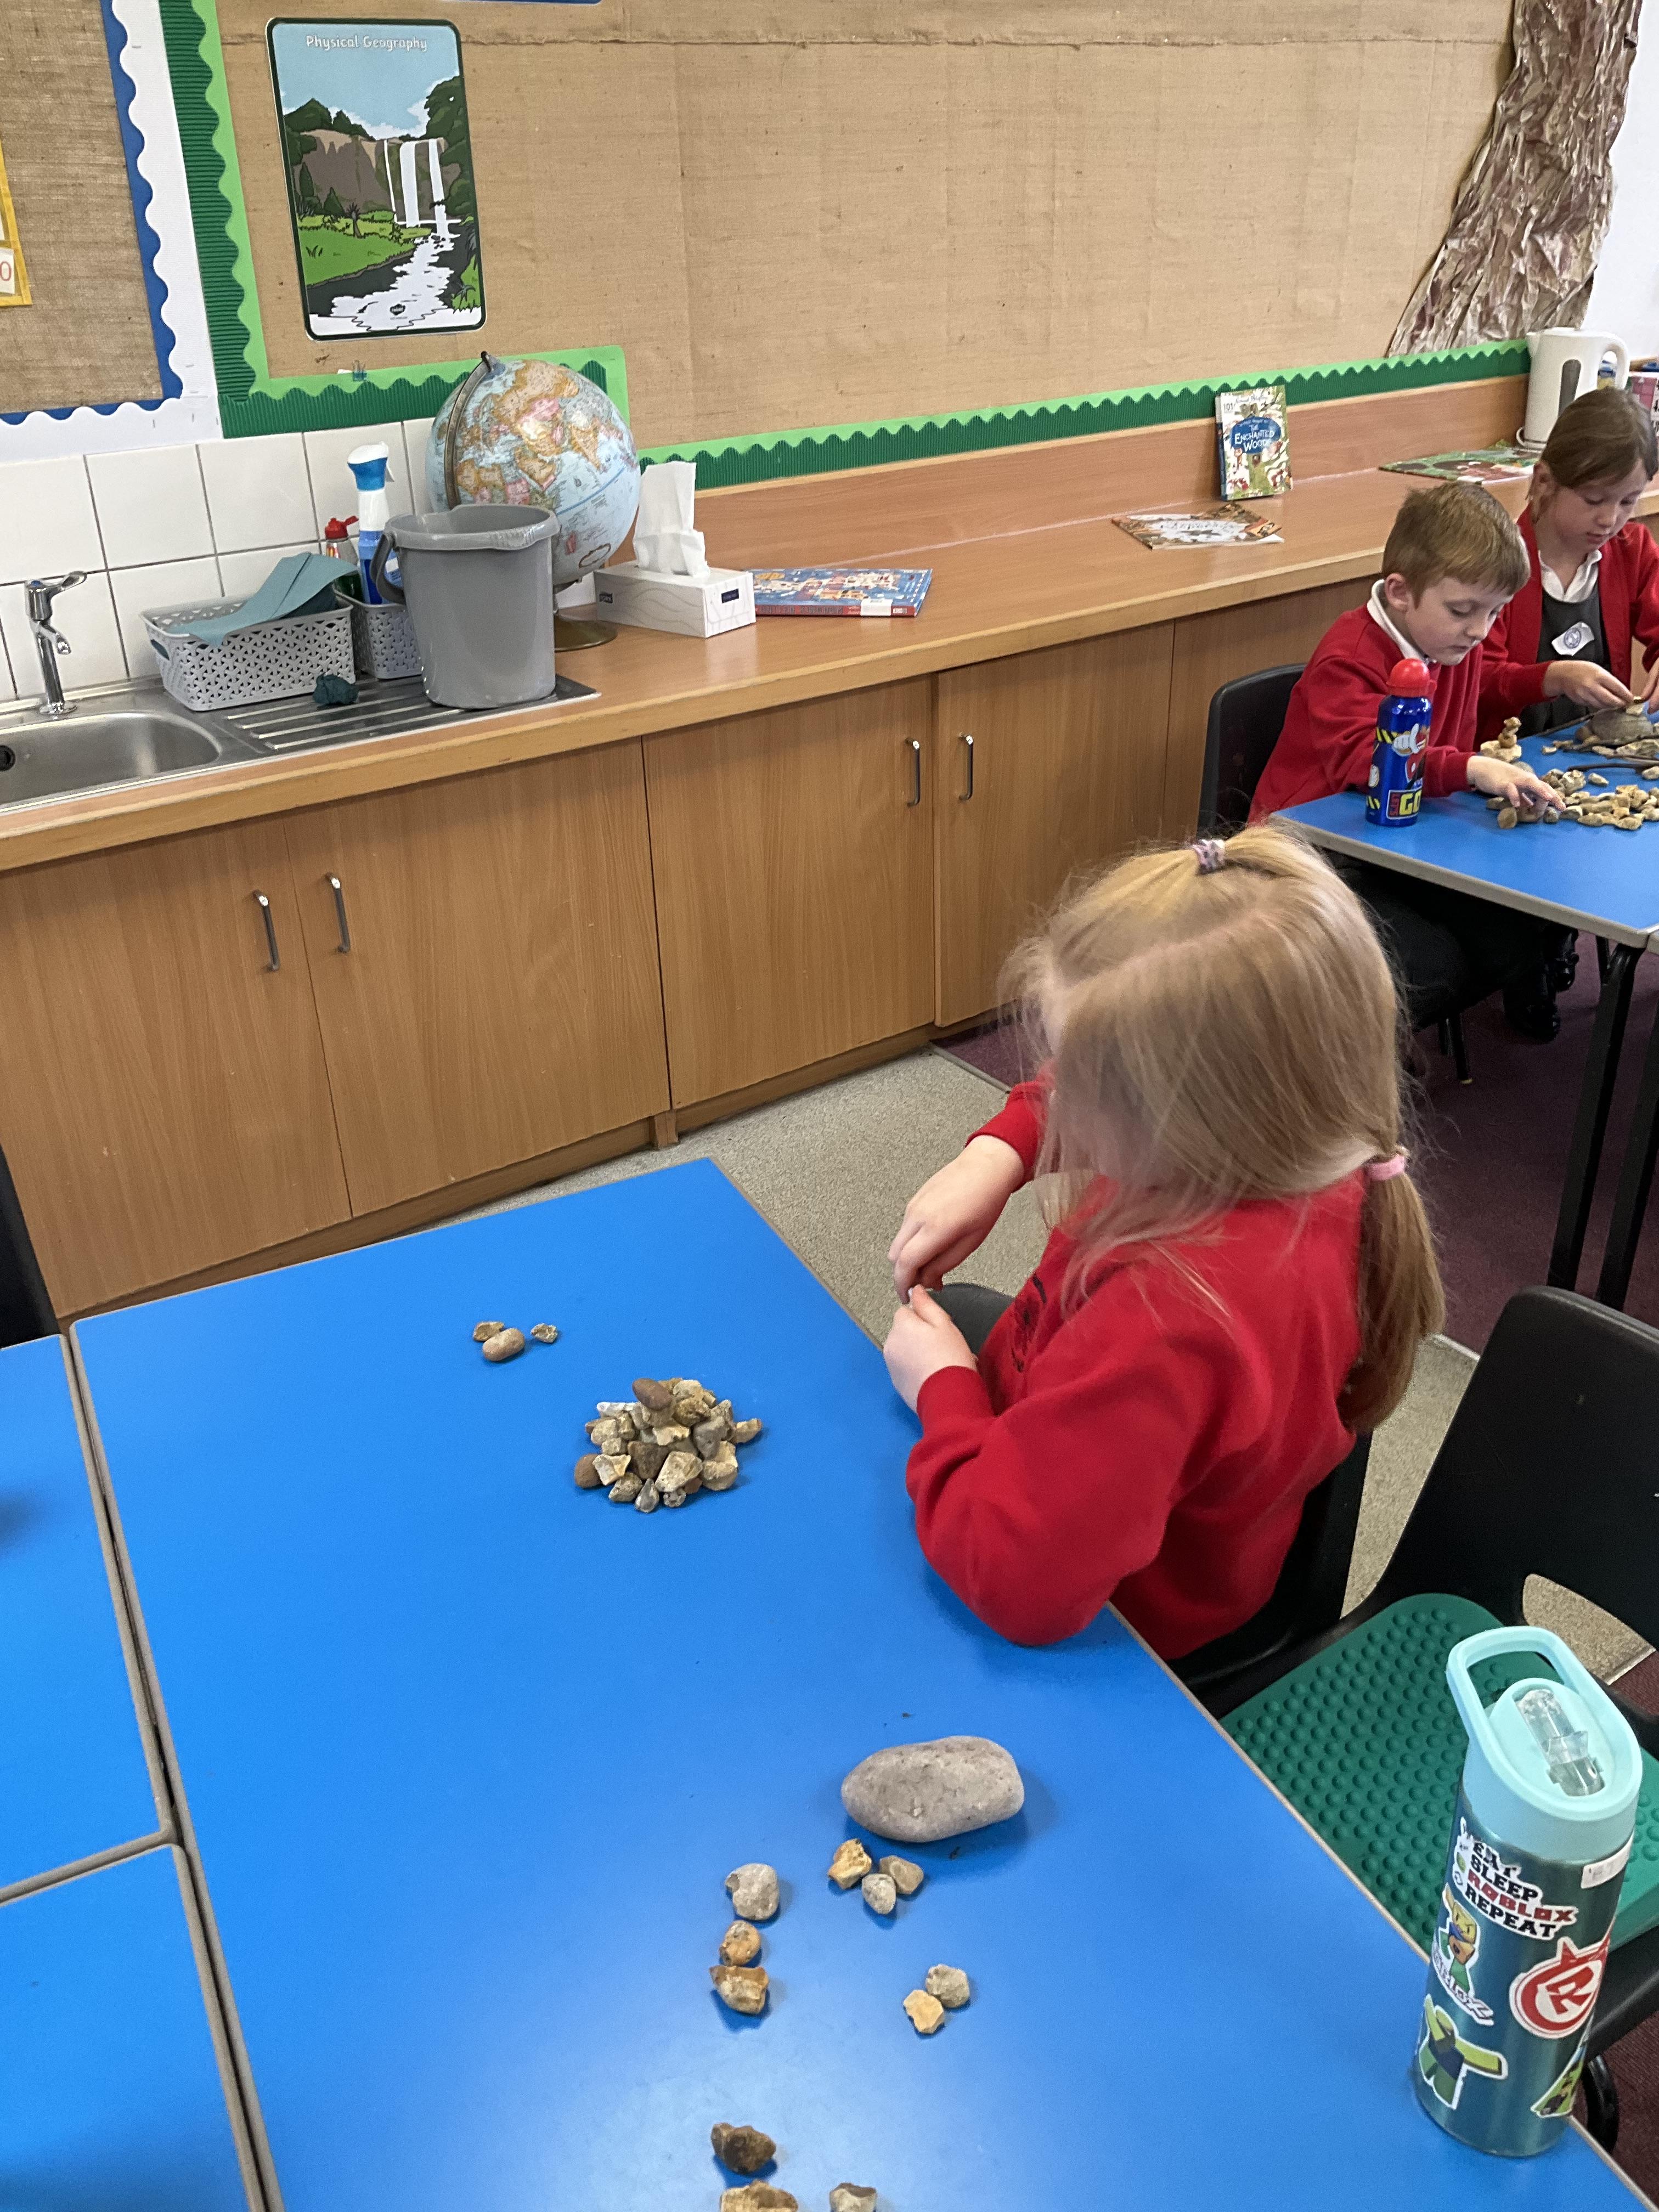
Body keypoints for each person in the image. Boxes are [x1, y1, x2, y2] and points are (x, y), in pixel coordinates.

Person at [882, 827, 1443, 1660]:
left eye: (1084, 1080)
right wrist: (998, 1153)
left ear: (1184, 1123)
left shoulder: (1168, 1317)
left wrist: (945, 1391)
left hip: (1128, 1630)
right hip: (1143, 1500)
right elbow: (1102, 1094)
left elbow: (1017, 1581)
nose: (1057, 1095)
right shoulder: (1311, 1152)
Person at [1249, 481, 1570, 1040]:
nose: (1480, 631)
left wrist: (1543, 687)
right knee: (1424, 968)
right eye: (1463, 610)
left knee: (1514, 932)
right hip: (1314, 855)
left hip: (1404, 841)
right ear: (1399, 593)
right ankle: (1338, 1056)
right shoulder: (1350, 655)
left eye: (1495, 612)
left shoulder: (1452, 642)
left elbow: (1474, 703)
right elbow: (1365, 763)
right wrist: (1470, 769)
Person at [1480, 385, 1659, 741]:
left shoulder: (1632, 550)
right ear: (1544, 481)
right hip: (1506, 757)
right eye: (1594, 499)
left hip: (1598, 752)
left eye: (1628, 502)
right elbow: (1477, 680)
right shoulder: (1492, 562)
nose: (1610, 519)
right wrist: (1554, 678)